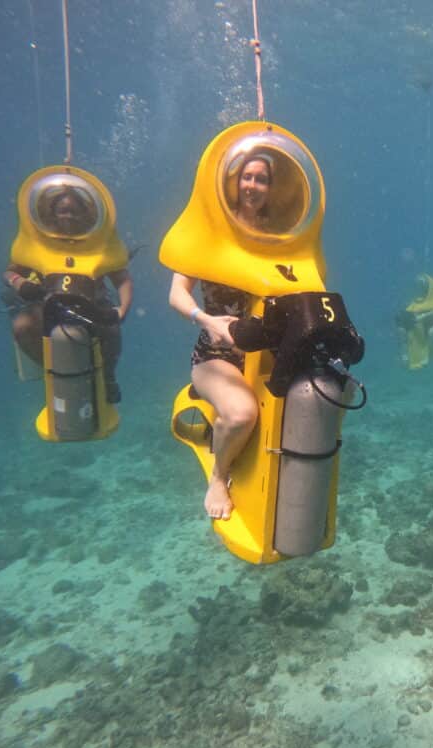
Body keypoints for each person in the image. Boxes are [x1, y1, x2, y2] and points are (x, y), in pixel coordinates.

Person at [167, 154, 275, 520]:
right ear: (235, 182)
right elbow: (176, 294)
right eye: (247, 177)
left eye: (262, 179)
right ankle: (218, 476)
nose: (253, 186)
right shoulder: (210, 232)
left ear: (271, 189)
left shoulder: (281, 237)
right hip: (216, 355)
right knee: (243, 414)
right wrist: (208, 321)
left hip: (264, 352)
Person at [3, 187, 133, 402]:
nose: (68, 216)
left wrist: (122, 310)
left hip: (93, 303)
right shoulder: (39, 241)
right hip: (46, 304)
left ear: (86, 213)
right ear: (52, 213)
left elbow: (123, 279)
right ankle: (54, 373)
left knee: (111, 331)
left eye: (74, 211)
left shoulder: (99, 241)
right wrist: (20, 284)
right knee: (22, 326)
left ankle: (107, 377)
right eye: (63, 211)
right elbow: (10, 272)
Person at [395, 273, 433, 369]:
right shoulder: (417, 301)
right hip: (423, 325)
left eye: (422, 285)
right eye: (419, 286)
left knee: (432, 332)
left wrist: (422, 316)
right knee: (403, 330)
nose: (420, 288)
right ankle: (406, 354)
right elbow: (410, 312)